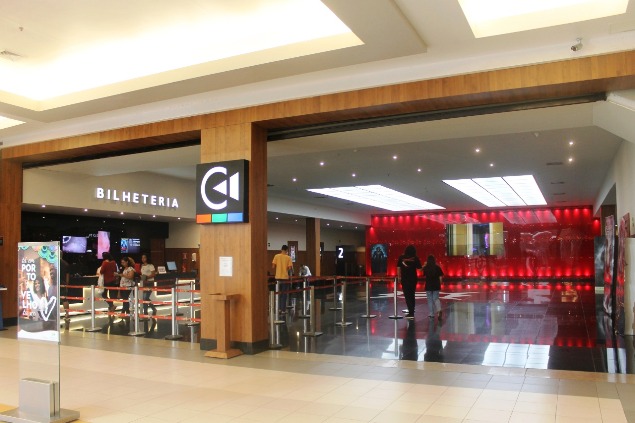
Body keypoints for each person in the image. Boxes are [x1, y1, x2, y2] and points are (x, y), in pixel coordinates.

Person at [397, 245, 422, 320]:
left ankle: (410, 311)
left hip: (405, 279)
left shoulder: (401, 257)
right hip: (413, 279)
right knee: (412, 294)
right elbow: (419, 269)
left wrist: (399, 277)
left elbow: (398, 268)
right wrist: (424, 266)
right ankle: (412, 311)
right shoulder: (415, 258)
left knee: (407, 295)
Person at [271, 245, 293, 315]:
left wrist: (278, 267)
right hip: (285, 278)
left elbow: (273, 266)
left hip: (277, 277)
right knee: (284, 294)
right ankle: (283, 310)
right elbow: (290, 268)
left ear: (281, 249)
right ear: (286, 250)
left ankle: (278, 309)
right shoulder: (288, 257)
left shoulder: (276, 256)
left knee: (278, 293)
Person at [423, 255, 444, 319]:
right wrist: (440, 282)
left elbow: (422, 271)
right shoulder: (437, 267)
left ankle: (431, 313)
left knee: (430, 299)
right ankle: (439, 310)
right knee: (436, 298)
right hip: (436, 285)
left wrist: (424, 265)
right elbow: (440, 276)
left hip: (428, 285)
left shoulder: (426, 268)